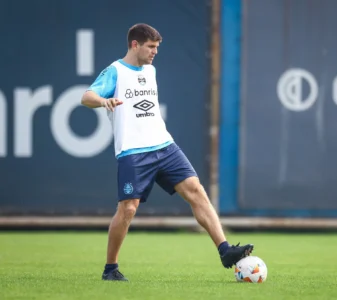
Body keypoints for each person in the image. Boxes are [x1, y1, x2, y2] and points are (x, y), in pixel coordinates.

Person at [81, 23, 253, 281]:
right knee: (128, 209)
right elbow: (86, 96)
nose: (154, 52)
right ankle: (111, 269)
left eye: (157, 47)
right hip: (134, 151)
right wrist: (103, 100)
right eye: (150, 47)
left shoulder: (150, 70)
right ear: (134, 44)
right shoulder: (115, 71)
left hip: (164, 145)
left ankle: (225, 250)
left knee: (196, 191)